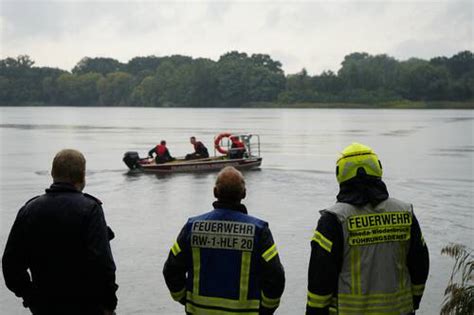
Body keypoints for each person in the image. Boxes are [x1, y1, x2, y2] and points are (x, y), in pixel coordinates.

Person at [306, 143, 429, 315]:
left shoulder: (333, 220)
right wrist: (414, 299)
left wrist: (315, 312)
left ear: (340, 174)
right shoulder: (405, 213)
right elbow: (420, 264)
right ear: (378, 169)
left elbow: (320, 277)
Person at [2, 149, 118, 315]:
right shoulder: (90, 209)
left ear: (52, 173)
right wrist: (109, 304)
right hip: (87, 306)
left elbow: (11, 265)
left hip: (44, 306)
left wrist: (30, 296)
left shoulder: (29, 209)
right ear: (82, 175)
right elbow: (103, 265)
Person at [163, 166, 285, 314]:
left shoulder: (192, 227)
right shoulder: (259, 231)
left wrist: (184, 298)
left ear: (215, 192)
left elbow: (171, 270)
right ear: (244, 193)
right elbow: (275, 276)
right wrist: (266, 309)